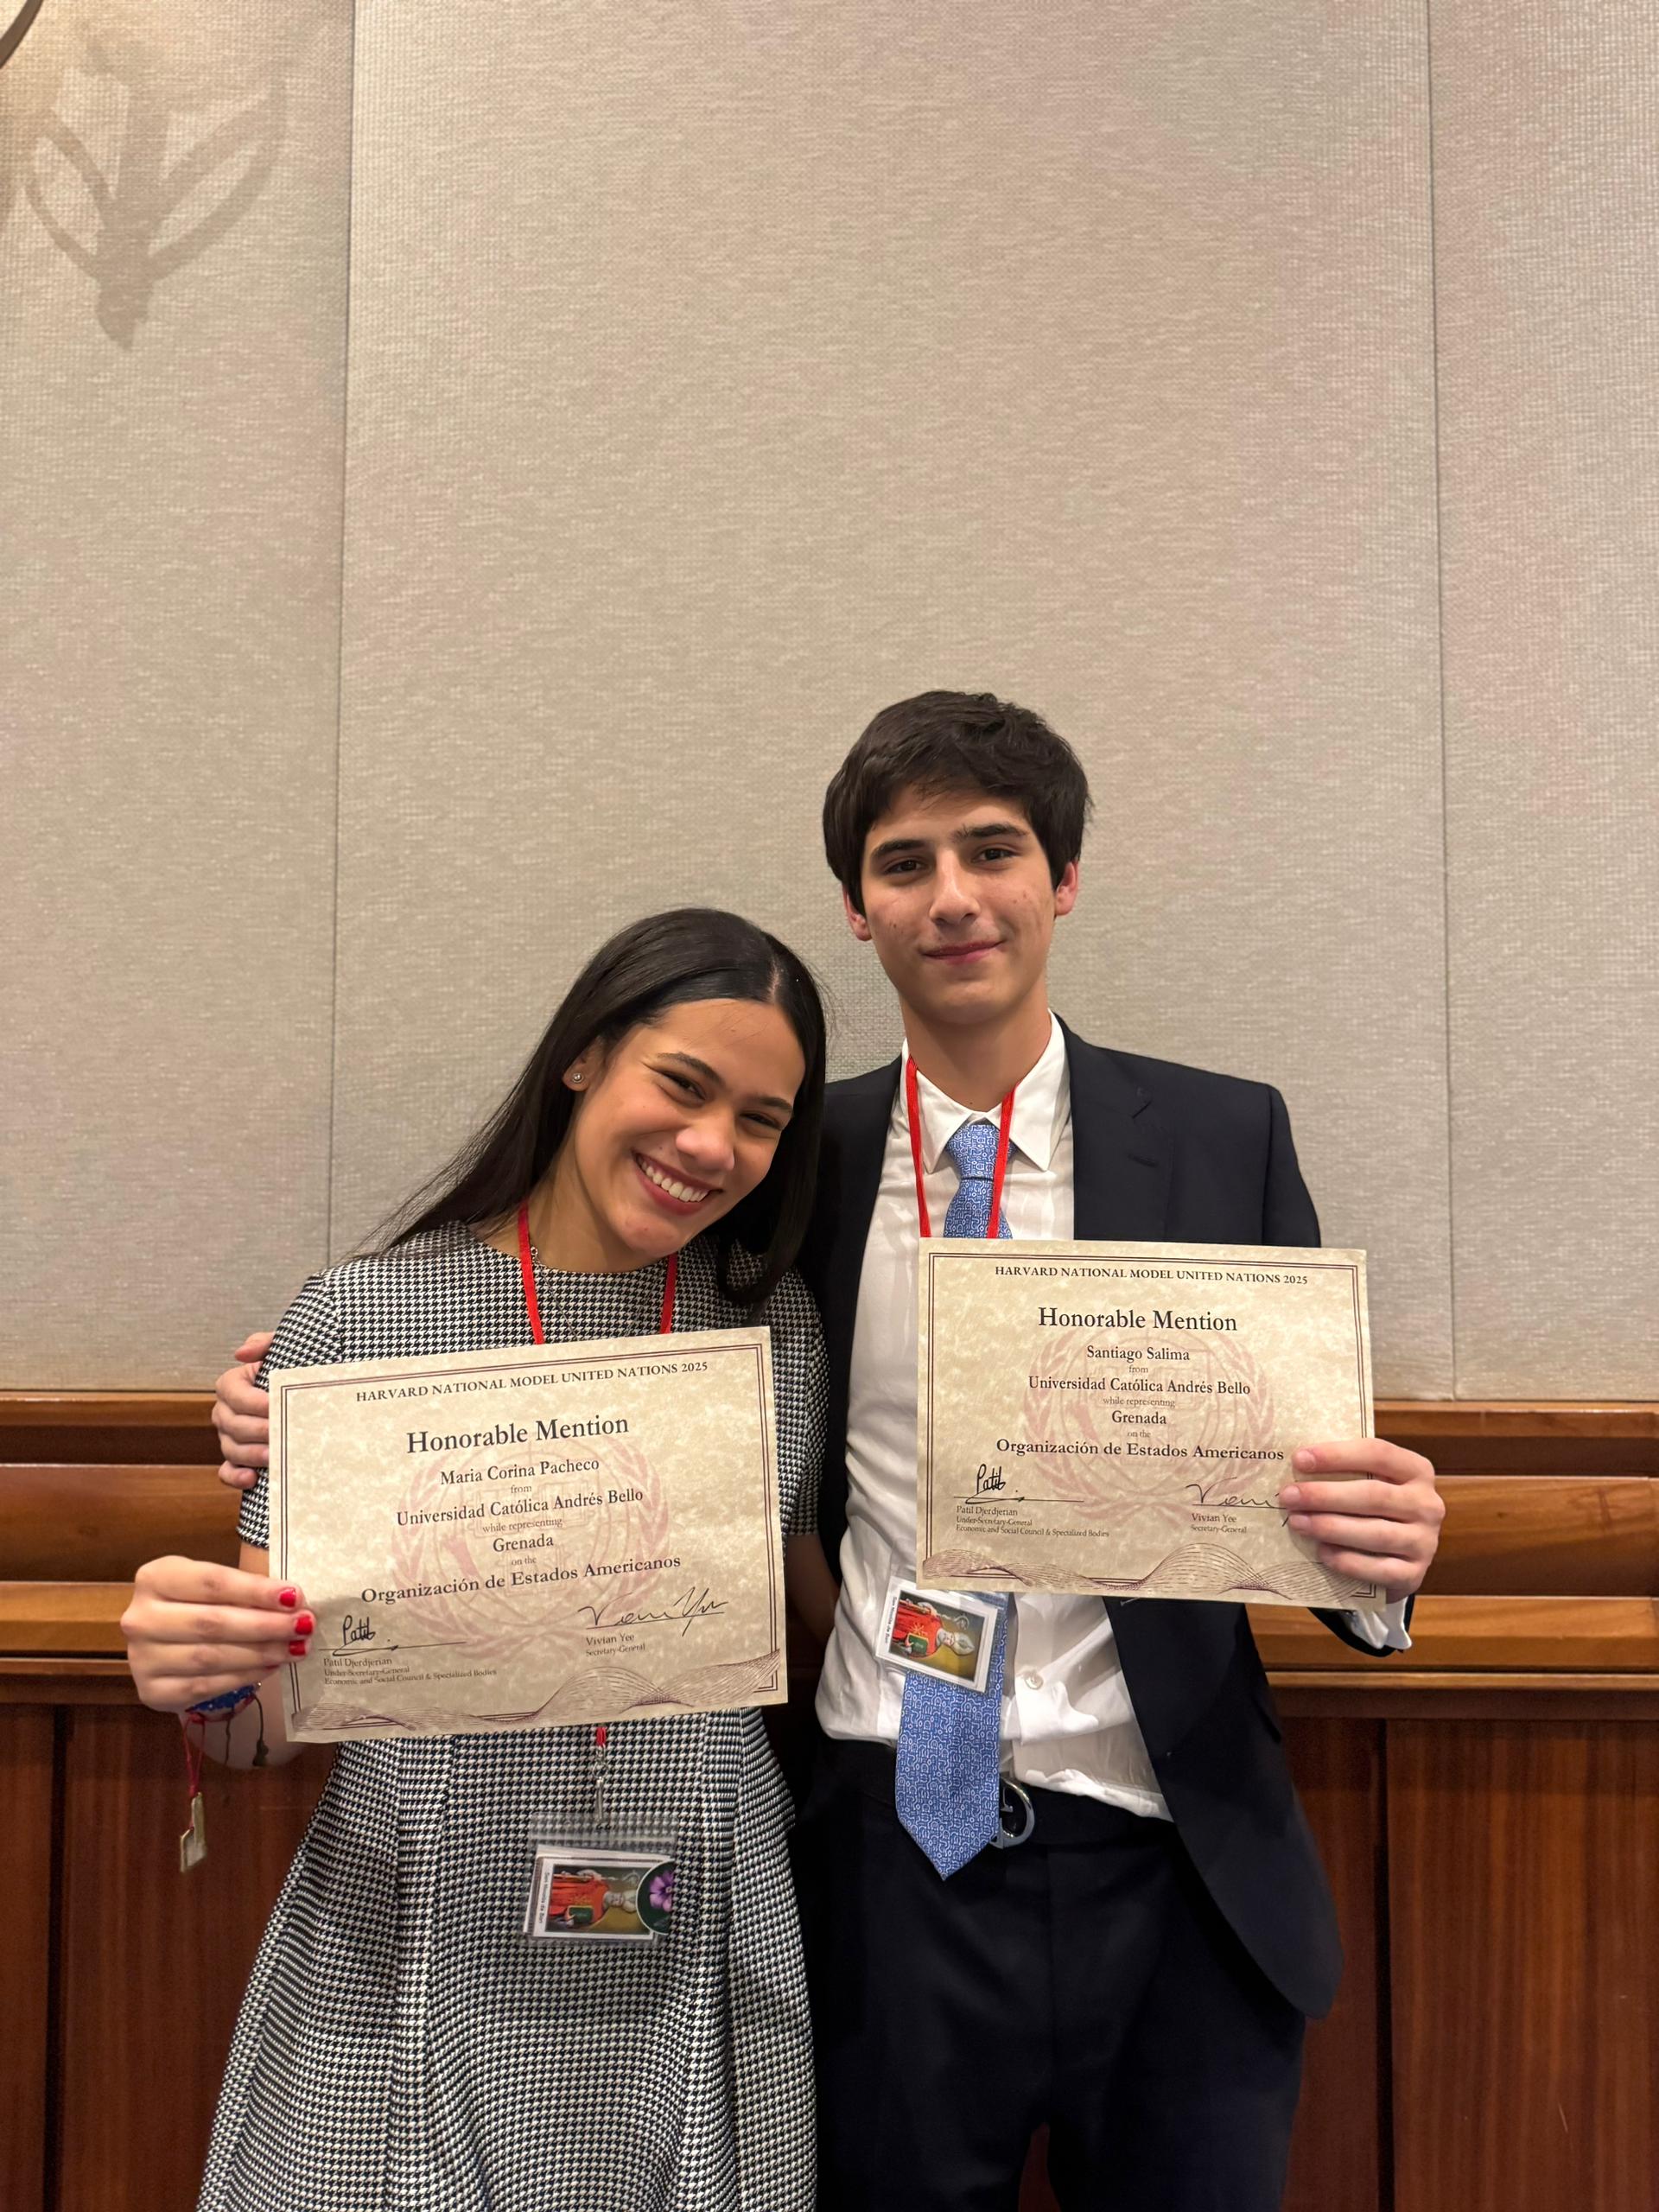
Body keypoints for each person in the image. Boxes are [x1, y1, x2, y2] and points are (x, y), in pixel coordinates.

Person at [216, 697, 1446, 2212]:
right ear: (859, 910)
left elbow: (1302, 1464)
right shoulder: (795, 1164)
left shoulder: (1221, 1136)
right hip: (885, 1861)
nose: (953, 896)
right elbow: (581, 1357)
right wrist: (302, 1398)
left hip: (1176, 1860)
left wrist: (1382, 1562)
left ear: (1062, 878)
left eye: (993, 852)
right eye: (905, 863)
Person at [125, 907, 830, 2212]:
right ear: (583, 1058)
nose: (710, 1145)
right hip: (415, 1918)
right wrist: (204, 1677)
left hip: (697, 1918)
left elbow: (807, 1627)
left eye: (759, 1119)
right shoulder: (360, 1320)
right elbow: (260, 1738)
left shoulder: (776, 1330)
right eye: (682, 1085)